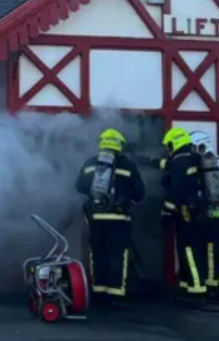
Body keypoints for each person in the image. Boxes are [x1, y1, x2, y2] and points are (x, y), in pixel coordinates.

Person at [75, 128, 145, 308]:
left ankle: (98, 291)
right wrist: (126, 201)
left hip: (97, 217)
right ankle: (115, 294)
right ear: (120, 144)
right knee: (117, 254)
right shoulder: (128, 165)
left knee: (97, 253)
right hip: (119, 218)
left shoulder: (91, 163)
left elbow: (80, 186)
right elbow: (140, 192)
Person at [161, 127, 208, 298]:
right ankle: (185, 284)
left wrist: (166, 212)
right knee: (187, 249)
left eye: (168, 146)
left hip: (187, 214)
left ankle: (197, 289)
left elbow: (175, 192)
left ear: (174, 144)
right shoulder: (192, 159)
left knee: (189, 250)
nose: (168, 150)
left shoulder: (179, 163)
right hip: (198, 212)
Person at [189, 131, 219, 300]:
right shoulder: (218, 163)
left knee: (208, 250)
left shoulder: (204, 164)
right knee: (217, 248)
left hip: (209, 213)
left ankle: (210, 287)